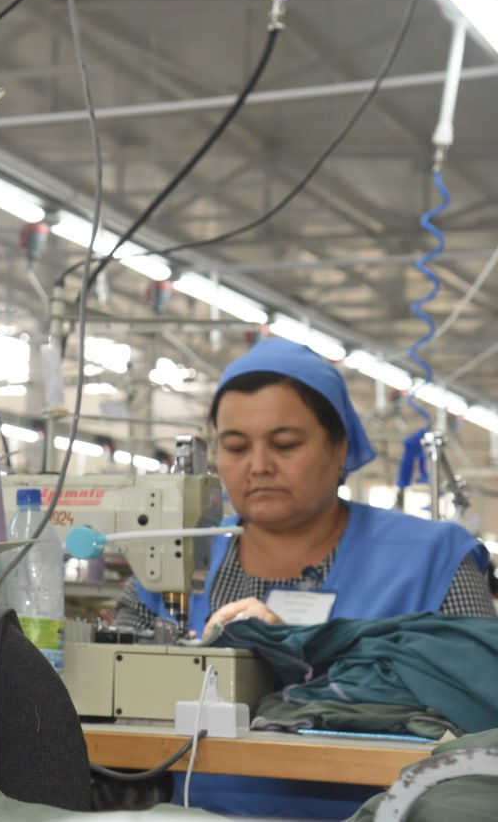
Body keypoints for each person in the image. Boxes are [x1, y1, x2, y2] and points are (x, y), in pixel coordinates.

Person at [113, 337, 495, 819]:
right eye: (235, 446)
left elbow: (485, 704)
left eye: (285, 444)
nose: (258, 466)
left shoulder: (434, 561)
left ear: (340, 447)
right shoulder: (175, 562)